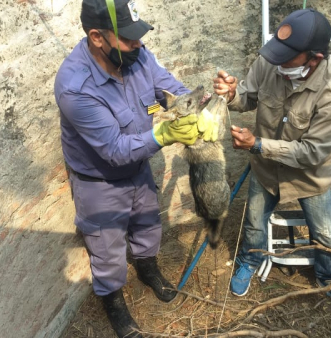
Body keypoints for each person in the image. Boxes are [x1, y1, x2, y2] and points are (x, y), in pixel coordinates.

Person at [53, 0, 216, 337]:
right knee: (107, 249)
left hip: (138, 167)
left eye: (138, 37)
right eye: (128, 39)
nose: (138, 44)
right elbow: (113, 149)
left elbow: (168, 89)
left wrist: (196, 110)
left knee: (147, 225)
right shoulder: (75, 86)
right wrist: (165, 133)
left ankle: (147, 268)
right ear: (97, 37)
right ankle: (114, 302)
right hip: (99, 183)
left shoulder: (137, 55)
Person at [213, 8, 331, 315]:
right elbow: (247, 97)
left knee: (326, 234)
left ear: (314, 58)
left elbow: (313, 153)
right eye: (275, 54)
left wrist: (258, 144)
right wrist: (230, 94)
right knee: (254, 224)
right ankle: (250, 262)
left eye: (287, 58)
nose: (276, 63)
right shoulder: (271, 60)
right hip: (265, 167)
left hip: (309, 175)